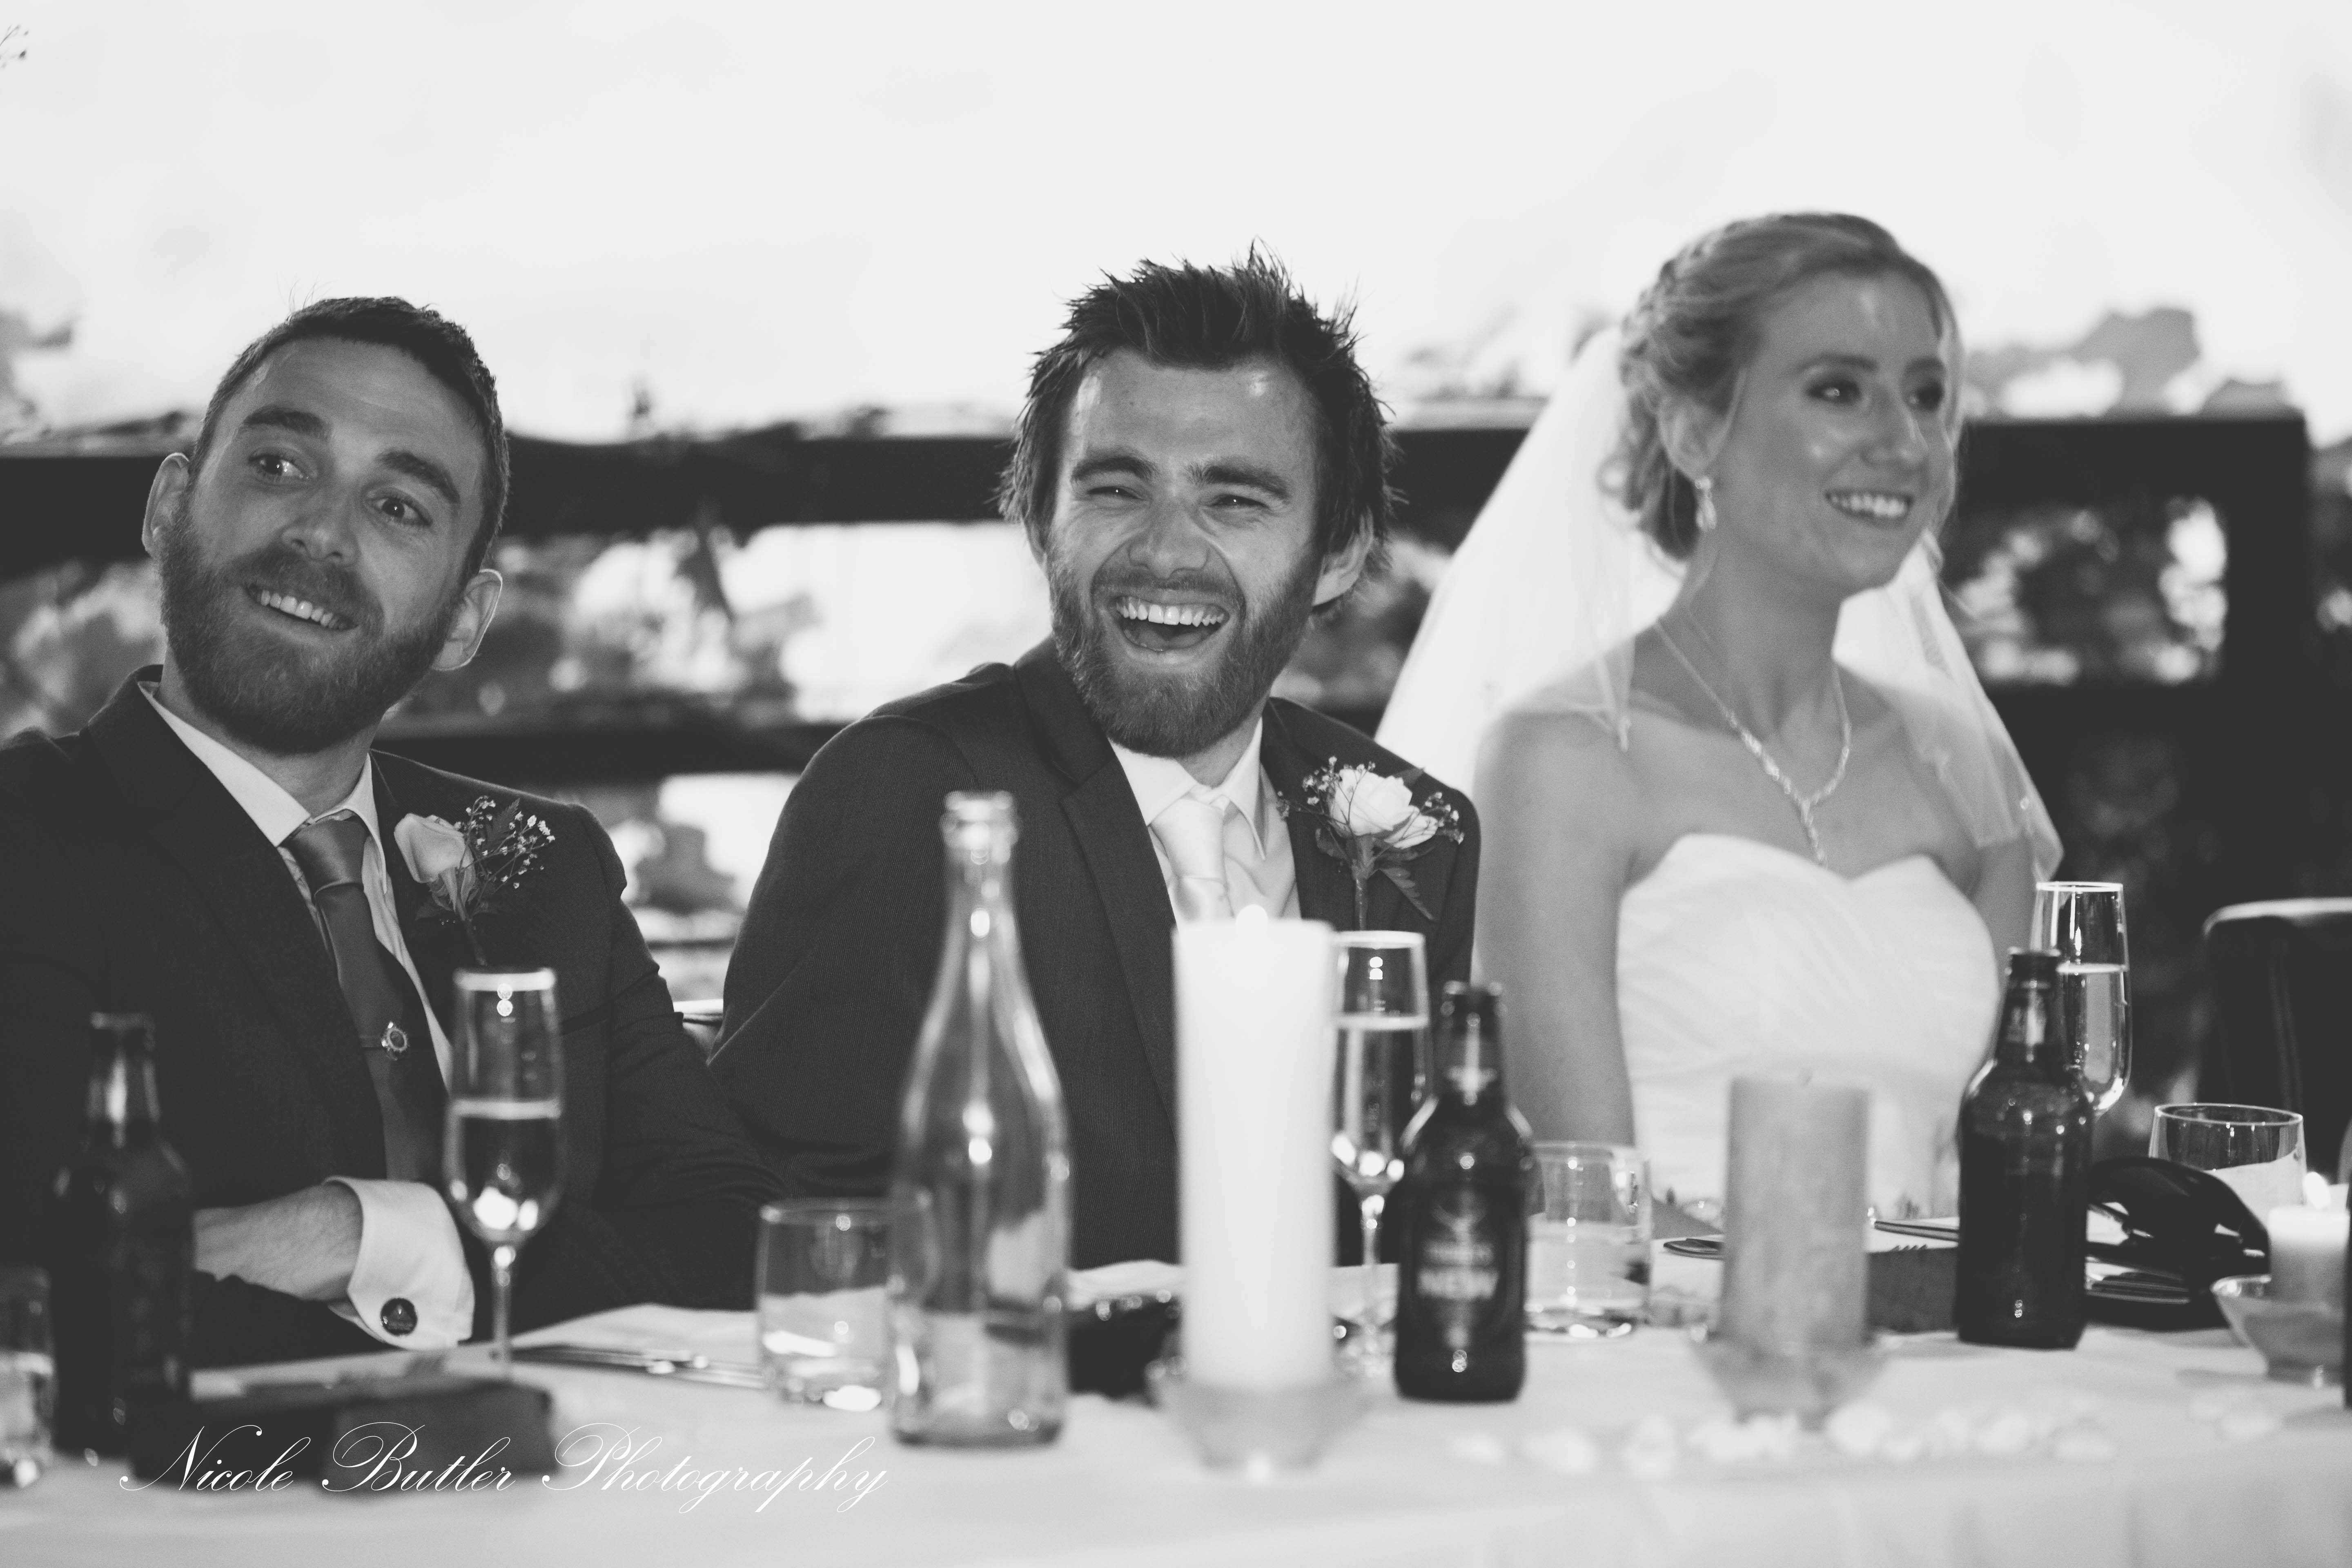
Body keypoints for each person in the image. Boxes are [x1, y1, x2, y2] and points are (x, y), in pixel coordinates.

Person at [0, 298, 777, 1365]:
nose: (322, 530)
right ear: (170, 508)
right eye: (279, 465)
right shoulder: (27, 840)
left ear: (463, 619)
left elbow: (733, 1246)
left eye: (400, 506)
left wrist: (358, 1236)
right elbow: (44, 1300)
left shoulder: (550, 865)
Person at [715, 254, 1481, 1268]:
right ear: (1041, 521)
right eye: (1117, 489)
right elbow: (784, 1234)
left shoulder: (1418, 833)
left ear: (1336, 553)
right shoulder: (906, 794)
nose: (1165, 551)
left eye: (1235, 501)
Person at [1379, 215, 2060, 1218]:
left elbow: (2001, 1165)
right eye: (1840, 390)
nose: (1905, 442)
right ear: (1697, 430)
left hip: (1931, 1314)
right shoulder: (1564, 757)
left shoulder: (1960, 768)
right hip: (1657, 1310)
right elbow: (1582, 1196)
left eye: (1925, 395)